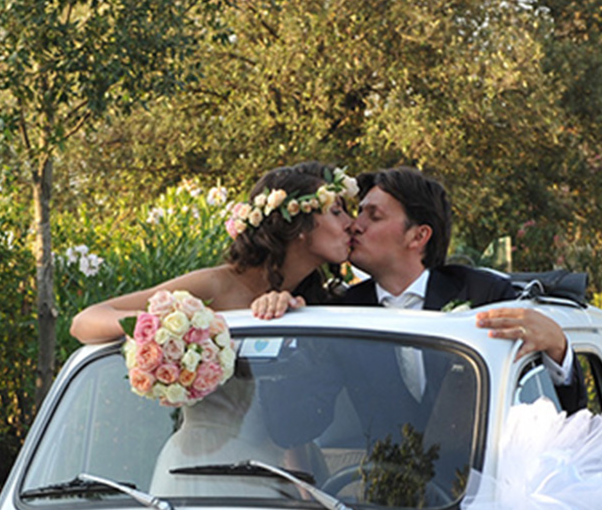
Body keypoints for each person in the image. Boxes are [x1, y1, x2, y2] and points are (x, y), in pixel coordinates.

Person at [344, 166, 586, 411]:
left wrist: (558, 348)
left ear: (418, 236)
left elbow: (543, 407)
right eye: (359, 212)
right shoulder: (343, 310)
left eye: (374, 216)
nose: (355, 225)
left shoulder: (484, 294)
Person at [69, 161, 356, 344]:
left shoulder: (315, 299)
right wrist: (163, 323)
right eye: (336, 212)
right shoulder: (215, 285)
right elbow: (84, 322)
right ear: (299, 225)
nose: (350, 224)